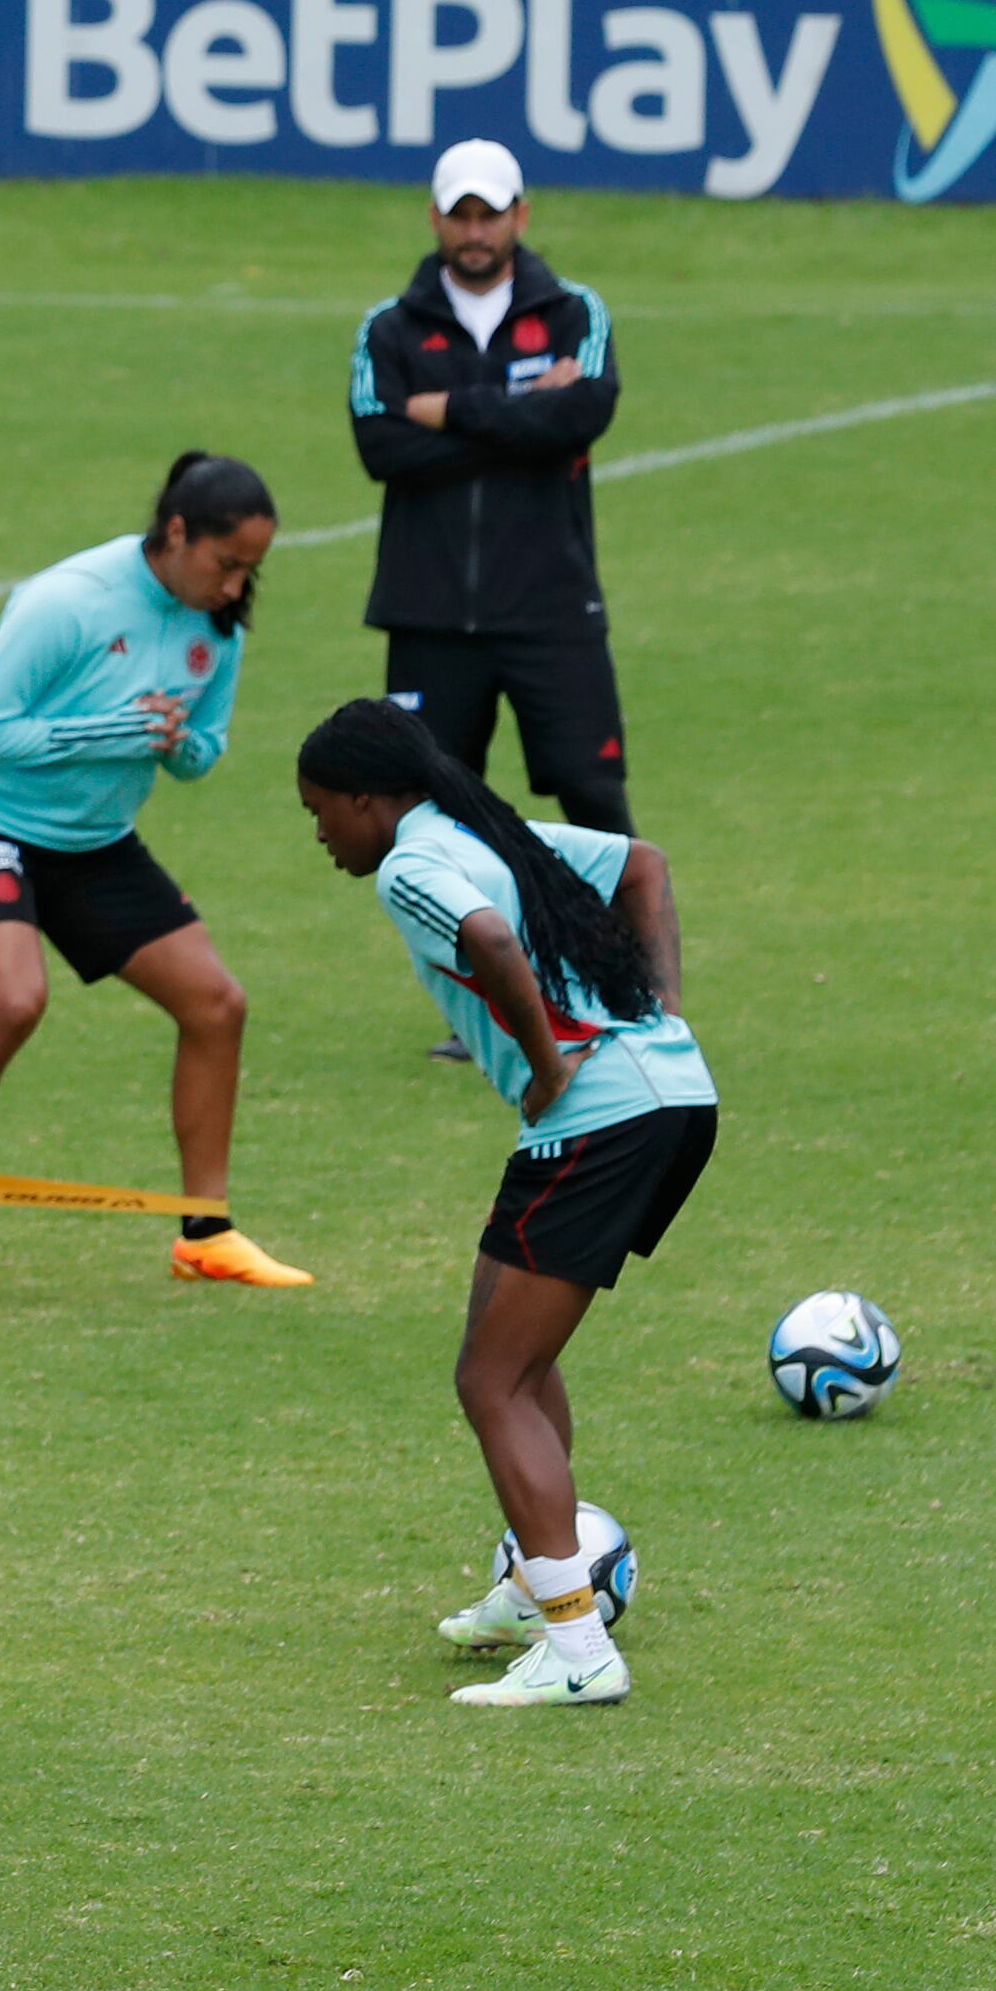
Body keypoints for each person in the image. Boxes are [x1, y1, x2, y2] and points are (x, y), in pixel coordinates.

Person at [295, 702, 714, 1710]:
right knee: (511, 1351)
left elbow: (488, 936)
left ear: (365, 800)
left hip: (599, 1121)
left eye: (319, 814)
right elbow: (644, 863)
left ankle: (578, 1650)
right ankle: (539, 1589)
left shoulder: (411, 866)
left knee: (493, 1382)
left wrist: (548, 1061)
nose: (319, 836)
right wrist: (662, 1015)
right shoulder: (486, 828)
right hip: (667, 1095)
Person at [0, 453, 314, 1297]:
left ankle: (205, 1229)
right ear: (178, 533)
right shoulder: (67, 601)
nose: (234, 589)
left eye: (249, 572)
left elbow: (201, 755)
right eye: (225, 566)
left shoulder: (214, 629)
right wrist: (110, 733)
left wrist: (175, 741)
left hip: (94, 840)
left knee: (216, 1004)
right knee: (13, 1000)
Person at [349, 140, 632, 848]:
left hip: (551, 612)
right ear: (433, 220)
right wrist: (522, 413)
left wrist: (443, 408)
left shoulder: (574, 312)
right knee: (427, 816)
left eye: (490, 214)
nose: (475, 232)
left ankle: (633, 960)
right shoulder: (387, 327)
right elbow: (382, 448)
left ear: (521, 216)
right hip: (429, 615)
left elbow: (580, 416)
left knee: (592, 794)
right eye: (460, 215)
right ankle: (459, 962)